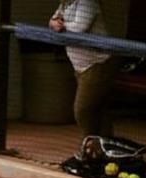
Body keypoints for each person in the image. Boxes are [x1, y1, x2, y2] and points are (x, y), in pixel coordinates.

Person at [50, 0, 119, 137]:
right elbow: (53, 20)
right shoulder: (66, 3)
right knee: (98, 109)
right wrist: (54, 22)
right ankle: (103, 148)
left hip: (97, 64)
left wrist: (61, 25)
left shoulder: (88, 3)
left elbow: (78, 28)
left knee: (82, 110)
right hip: (81, 67)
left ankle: (89, 146)